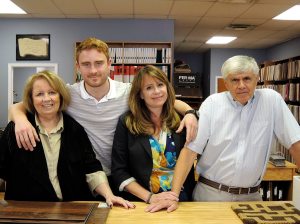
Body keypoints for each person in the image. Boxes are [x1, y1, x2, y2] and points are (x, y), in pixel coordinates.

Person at [9, 37, 198, 194]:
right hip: (87, 176)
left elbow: (164, 99)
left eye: (99, 63)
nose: (93, 71)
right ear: (77, 67)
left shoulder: (128, 92)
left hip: (125, 176)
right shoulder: (67, 95)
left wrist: (189, 113)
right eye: (86, 64)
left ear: (109, 63)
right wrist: (19, 119)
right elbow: (21, 105)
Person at [145, 55, 300, 213]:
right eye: (234, 80)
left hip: (251, 197)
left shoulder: (272, 101)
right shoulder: (212, 104)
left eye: (247, 78)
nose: (241, 85)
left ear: (257, 79)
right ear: (225, 83)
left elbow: (295, 143)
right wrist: (173, 196)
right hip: (211, 195)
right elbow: (190, 151)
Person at [0, 71, 134, 208]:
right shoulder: (16, 130)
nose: (47, 99)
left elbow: (92, 169)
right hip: (23, 212)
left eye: (52, 92)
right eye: (39, 94)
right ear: (31, 99)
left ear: (60, 96)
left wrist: (109, 195)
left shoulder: (75, 130)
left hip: (68, 211)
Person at [111, 65, 196, 204]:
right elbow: (119, 171)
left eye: (160, 85)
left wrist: (191, 113)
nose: (156, 91)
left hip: (181, 199)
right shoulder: (127, 122)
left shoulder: (183, 120)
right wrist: (150, 197)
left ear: (167, 88)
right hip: (142, 201)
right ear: (140, 94)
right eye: (149, 88)